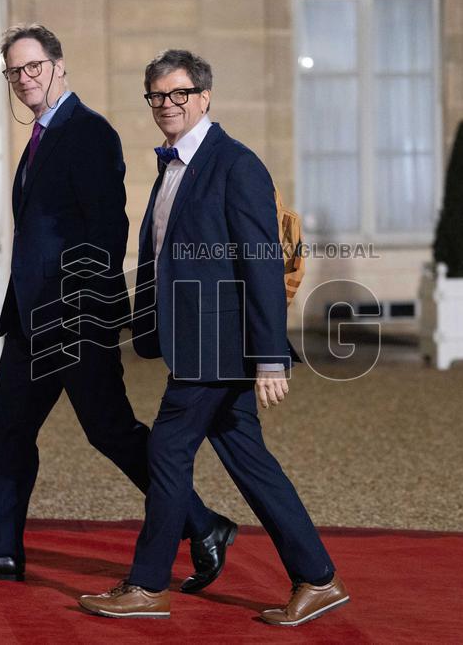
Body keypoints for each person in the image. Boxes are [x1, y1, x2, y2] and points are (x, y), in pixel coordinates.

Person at [0, 27, 235, 591]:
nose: (25, 79)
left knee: (110, 430)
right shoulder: (44, 135)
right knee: (7, 429)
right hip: (30, 319)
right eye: (15, 72)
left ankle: (204, 524)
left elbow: (107, 228)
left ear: (59, 65)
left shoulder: (88, 132)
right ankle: (0, 549)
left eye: (34, 66)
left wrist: (76, 307)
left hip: (72, 318)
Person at [78, 50, 348, 626]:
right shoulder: (171, 165)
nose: (167, 105)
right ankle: (318, 578)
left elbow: (262, 264)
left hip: (220, 345)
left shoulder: (235, 164)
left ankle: (149, 586)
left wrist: (271, 356)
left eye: (178, 94)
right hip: (196, 341)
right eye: (156, 96)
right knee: (249, 460)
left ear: (204, 97)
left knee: (168, 450)